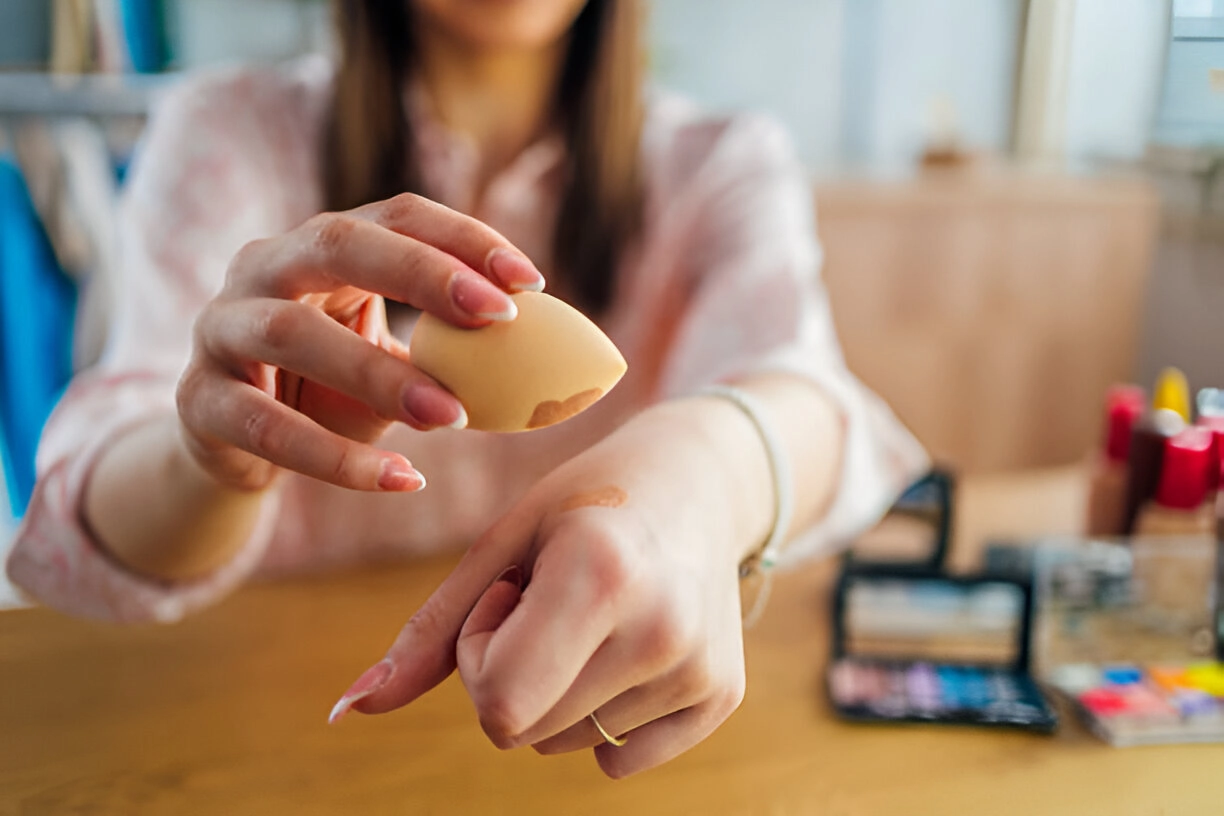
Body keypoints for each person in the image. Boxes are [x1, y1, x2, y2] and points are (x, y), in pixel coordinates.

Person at [6, 0, 926, 778]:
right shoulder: (226, 131)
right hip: (265, 748)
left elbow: (810, 399)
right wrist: (213, 454)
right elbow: (90, 521)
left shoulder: (719, 162)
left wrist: (705, 471)